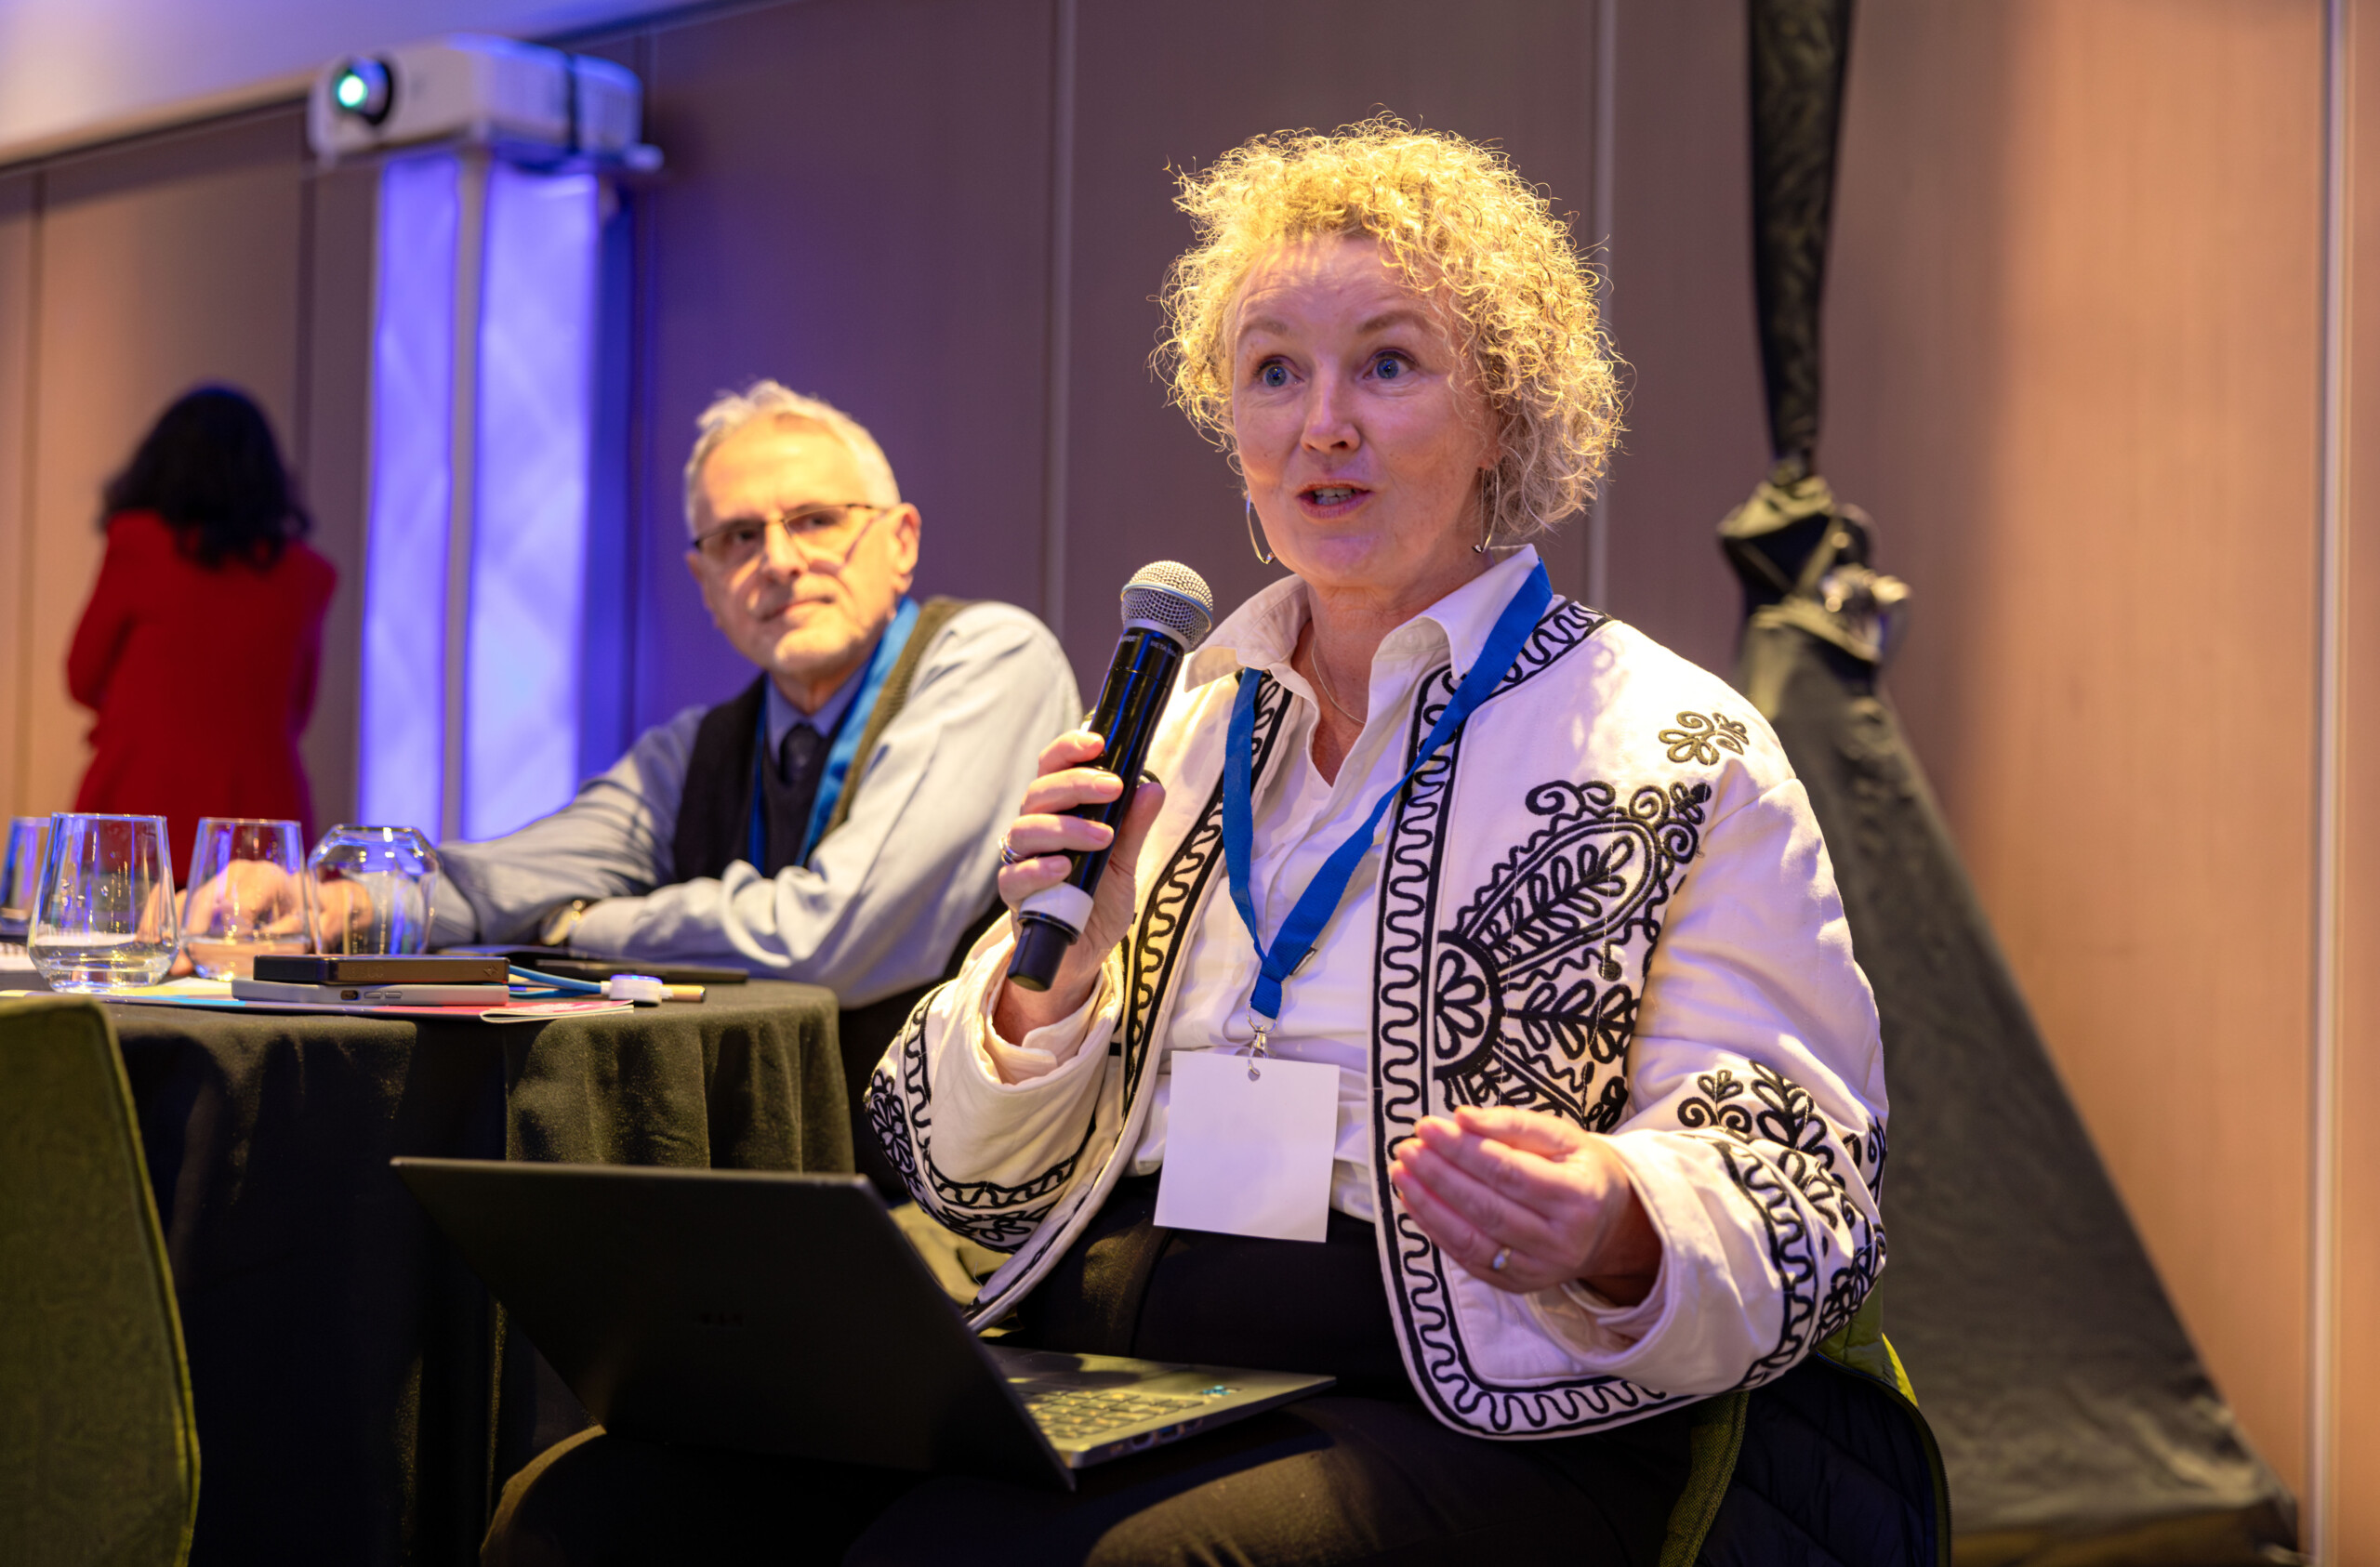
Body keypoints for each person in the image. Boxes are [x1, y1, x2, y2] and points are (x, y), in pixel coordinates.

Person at [486, 121, 1918, 1565]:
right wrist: (1049, 981)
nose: (1321, 424)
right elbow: (960, 1169)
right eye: (1273, 369)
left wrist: (1615, 1215)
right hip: (1106, 1339)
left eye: (1390, 363)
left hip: (1467, 1392)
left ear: (1507, 405)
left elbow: (1802, 1192)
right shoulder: (1178, 724)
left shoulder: (1673, 742)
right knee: (596, 1513)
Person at [430, 384, 1081, 1186]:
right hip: (767, 1195)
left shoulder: (991, 660)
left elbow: (831, 937)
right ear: (705, 582)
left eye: (816, 520)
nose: (778, 561)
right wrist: (352, 899)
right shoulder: (698, 748)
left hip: (961, 1215)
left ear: (901, 541)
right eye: (740, 537)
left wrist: (584, 931)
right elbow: (513, 875)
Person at [68, 386, 337, 863]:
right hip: (260, 816)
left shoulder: (138, 547)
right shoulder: (307, 575)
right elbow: (298, 706)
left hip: (139, 804)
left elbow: (82, 677)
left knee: (117, 935)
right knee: (261, 935)